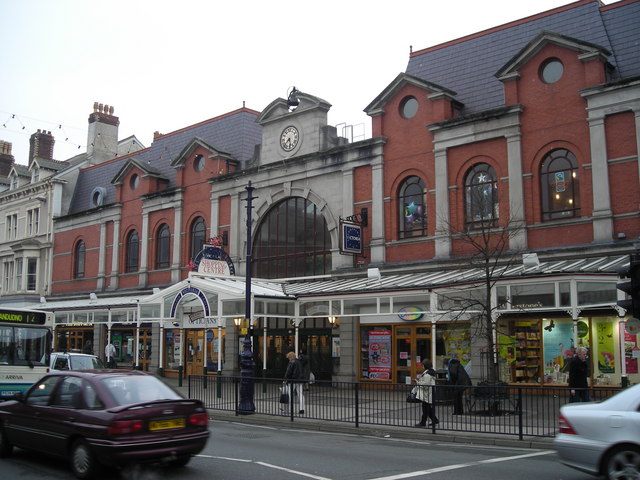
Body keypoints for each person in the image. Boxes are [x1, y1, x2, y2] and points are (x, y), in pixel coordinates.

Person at [414, 359, 439, 427]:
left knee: (425, 408)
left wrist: (418, 382)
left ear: (425, 366)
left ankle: (423, 423)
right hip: (429, 393)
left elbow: (425, 385)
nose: (422, 367)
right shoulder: (430, 373)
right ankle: (434, 420)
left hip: (427, 394)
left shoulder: (427, 374)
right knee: (427, 408)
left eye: (423, 365)